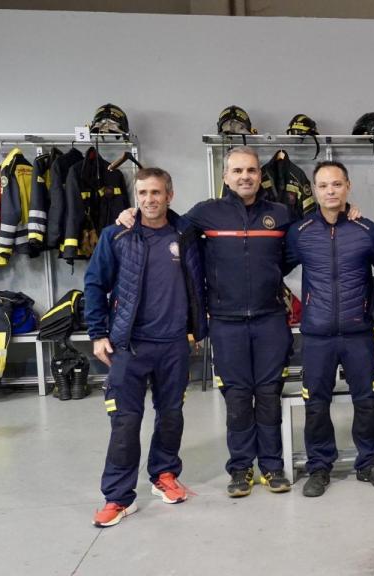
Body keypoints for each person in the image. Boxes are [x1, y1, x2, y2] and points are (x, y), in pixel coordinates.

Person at [117, 147, 294, 497]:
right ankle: (241, 468)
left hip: (270, 319)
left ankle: (272, 466)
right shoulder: (204, 214)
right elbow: (162, 223)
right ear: (225, 176)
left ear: (261, 175)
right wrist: (131, 215)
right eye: (237, 170)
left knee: (269, 394)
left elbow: (293, 254)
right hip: (226, 323)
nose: (245, 176)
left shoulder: (281, 214)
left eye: (252, 170)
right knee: (238, 396)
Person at [85, 167, 207, 527]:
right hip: (129, 346)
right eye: (142, 193)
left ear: (169, 195)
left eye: (156, 193)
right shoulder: (117, 235)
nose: (149, 200)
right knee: (125, 422)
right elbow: (94, 284)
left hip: (174, 344)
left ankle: (164, 475)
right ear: (135, 196)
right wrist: (97, 333)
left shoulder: (186, 233)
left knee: (171, 416)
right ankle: (118, 497)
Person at [285, 161, 374, 496]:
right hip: (317, 334)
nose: (330, 191)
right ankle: (319, 467)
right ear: (315, 191)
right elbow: (271, 267)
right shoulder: (301, 233)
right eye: (323, 186)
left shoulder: (367, 231)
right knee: (316, 403)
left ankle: (370, 463)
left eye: (336, 184)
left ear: (347, 186)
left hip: (358, 332)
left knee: (366, 400)